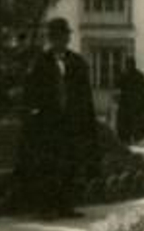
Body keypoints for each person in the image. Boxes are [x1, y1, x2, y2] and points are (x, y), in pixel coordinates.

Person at [17, 17, 97, 217]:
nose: (60, 40)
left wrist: (87, 122)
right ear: (51, 39)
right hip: (48, 123)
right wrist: (34, 115)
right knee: (48, 165)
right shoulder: (40, 63)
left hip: (71, 122)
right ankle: (47, 206)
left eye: (63, 36)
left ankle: (65, 205)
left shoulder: (77, 63)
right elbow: (31, 92)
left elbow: (85, 95)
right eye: (56, 37)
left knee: (69, 163)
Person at [113, 55, 144, 146]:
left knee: (130, 122)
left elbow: (117, 85)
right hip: (131, 103)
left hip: (131, 104)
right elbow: (118, 85)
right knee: (129, 122)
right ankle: (129, 137)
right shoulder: (134, 75)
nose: (128, 66)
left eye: (129, 64)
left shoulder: (130, 75)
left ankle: (129, 138)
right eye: (127, 64)